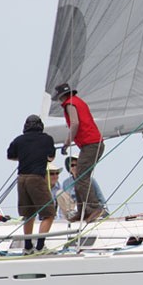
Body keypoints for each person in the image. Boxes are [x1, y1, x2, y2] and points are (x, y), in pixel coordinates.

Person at [53, 82, 105, 222]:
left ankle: (94, 208)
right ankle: (83, 211)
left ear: (60, 97)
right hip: (92, 144)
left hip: (91, 144)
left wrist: (67, 143)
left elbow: (75, 123)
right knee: (80, 178)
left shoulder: (70, 104)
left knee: (82, 177)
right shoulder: (77, 101)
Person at [7, 114, 56, 253]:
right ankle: (40, 247)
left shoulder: (19, 140)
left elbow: (10, 156)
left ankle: (28, 247)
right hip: (36, 178)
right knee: (49, 213)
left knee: (28, 214)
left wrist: (25, 156)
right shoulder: (47, 139)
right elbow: (51, 158)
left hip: (21, 179)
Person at [62, 155, 107, 220]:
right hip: (73, 211)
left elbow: (100, 197)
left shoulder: (91, 180)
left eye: (77, 165)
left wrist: (105, 212)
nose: (75, 167)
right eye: (72, 165)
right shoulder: (66, 183)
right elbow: (64, 200)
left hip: (88, 210)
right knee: (60, 193)